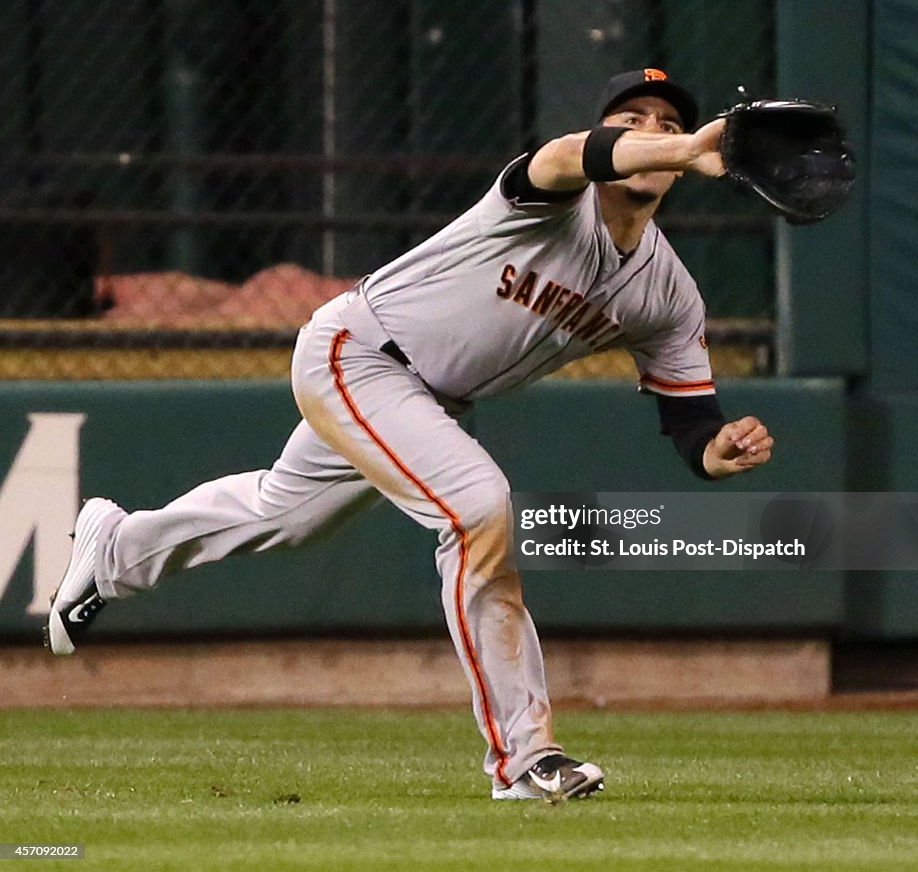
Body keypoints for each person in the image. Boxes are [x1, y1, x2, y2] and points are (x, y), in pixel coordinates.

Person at [46, 68, 773, 802]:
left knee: (285, 513)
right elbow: (561, 156)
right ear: (609, 134)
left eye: (665, 119)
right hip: (358, 351)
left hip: (427, 400)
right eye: (632, 118)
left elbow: (690, 419)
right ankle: (525, 758)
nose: (650, 130)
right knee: (478, 509)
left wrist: (719, 450)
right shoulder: (551, 198)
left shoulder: (667, 292)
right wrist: (680, 148)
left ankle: (118, 547)